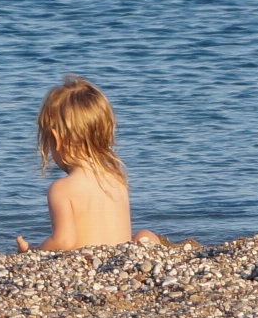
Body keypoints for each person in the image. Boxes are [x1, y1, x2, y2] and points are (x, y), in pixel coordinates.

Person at [16, 75, 160, 253]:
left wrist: (33, 251)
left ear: (56, 139)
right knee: (145, 235)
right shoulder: (117, 180)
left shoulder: (62, 188)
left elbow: (64, 241)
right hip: (120, 260)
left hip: (89, 265)